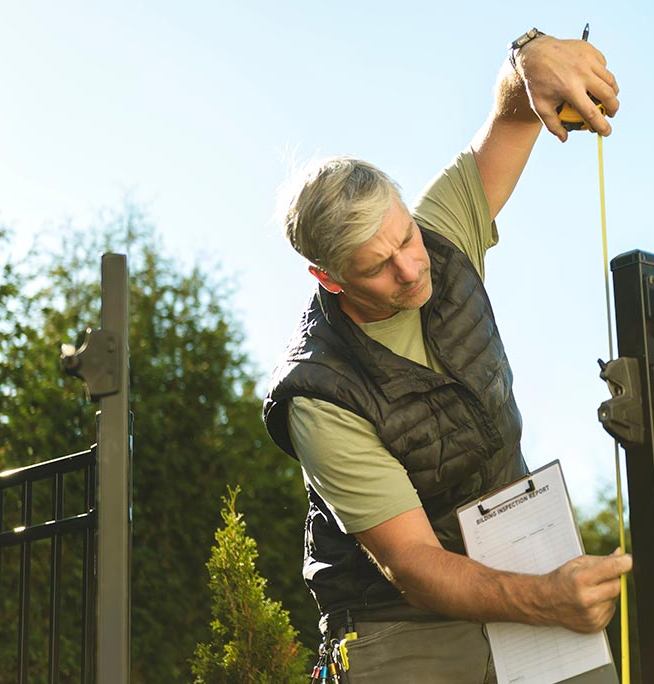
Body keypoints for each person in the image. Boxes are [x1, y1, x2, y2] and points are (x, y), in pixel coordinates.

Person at [264, 28, 632, 682]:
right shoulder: (319, 396)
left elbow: (511, 117)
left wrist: (529, 59)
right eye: (378, 266)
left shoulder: (439, 238)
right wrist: (546, 600)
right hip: (399, 619)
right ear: (329, 278)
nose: (411, 268)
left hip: (522, 554)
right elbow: (416, 567)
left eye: (405, 236)